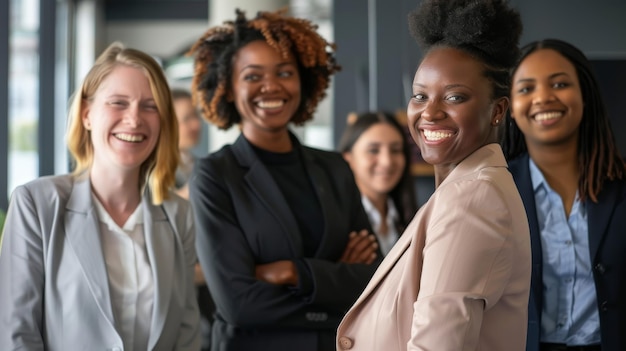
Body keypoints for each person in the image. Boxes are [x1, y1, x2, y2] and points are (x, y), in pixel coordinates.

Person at [336, 0, 531, 349]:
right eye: (419, 96)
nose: (430, 112)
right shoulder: (467, 189)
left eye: (455, 97)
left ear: (498, 110)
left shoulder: (472, 198)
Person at [187, 9, 381, 351]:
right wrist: (334, 286)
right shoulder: (215, 175)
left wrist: (294, 272)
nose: (271, 86)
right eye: (252, 76)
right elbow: (238, 304)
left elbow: (375, 281)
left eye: (285, 72)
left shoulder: (335, 167)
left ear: (302, 81)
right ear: (229, 88)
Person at [0, 42, 201, 350]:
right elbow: (18, 335)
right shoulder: (36, 204)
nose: (134, 119)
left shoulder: (179, 215)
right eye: (118, 103)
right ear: (87, 115)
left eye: (150, 106)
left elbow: (186, 333)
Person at [501, 39, 626, 351]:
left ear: (585, 96)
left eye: (559, 83)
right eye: (527, 88)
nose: (543, 97)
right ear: (510, 108)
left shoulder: (622, 186)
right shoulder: (493, 190)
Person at [338, 111, 418, 255]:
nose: (387, 162)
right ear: (347, 158)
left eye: (395, 150)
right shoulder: (335, 221)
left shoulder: (413, 218)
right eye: (373, 150)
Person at [172, 88, 203, 199]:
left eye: (196, 116)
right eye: (187, 118)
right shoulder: (152, 169)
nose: (197, 125)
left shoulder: (197, 163)